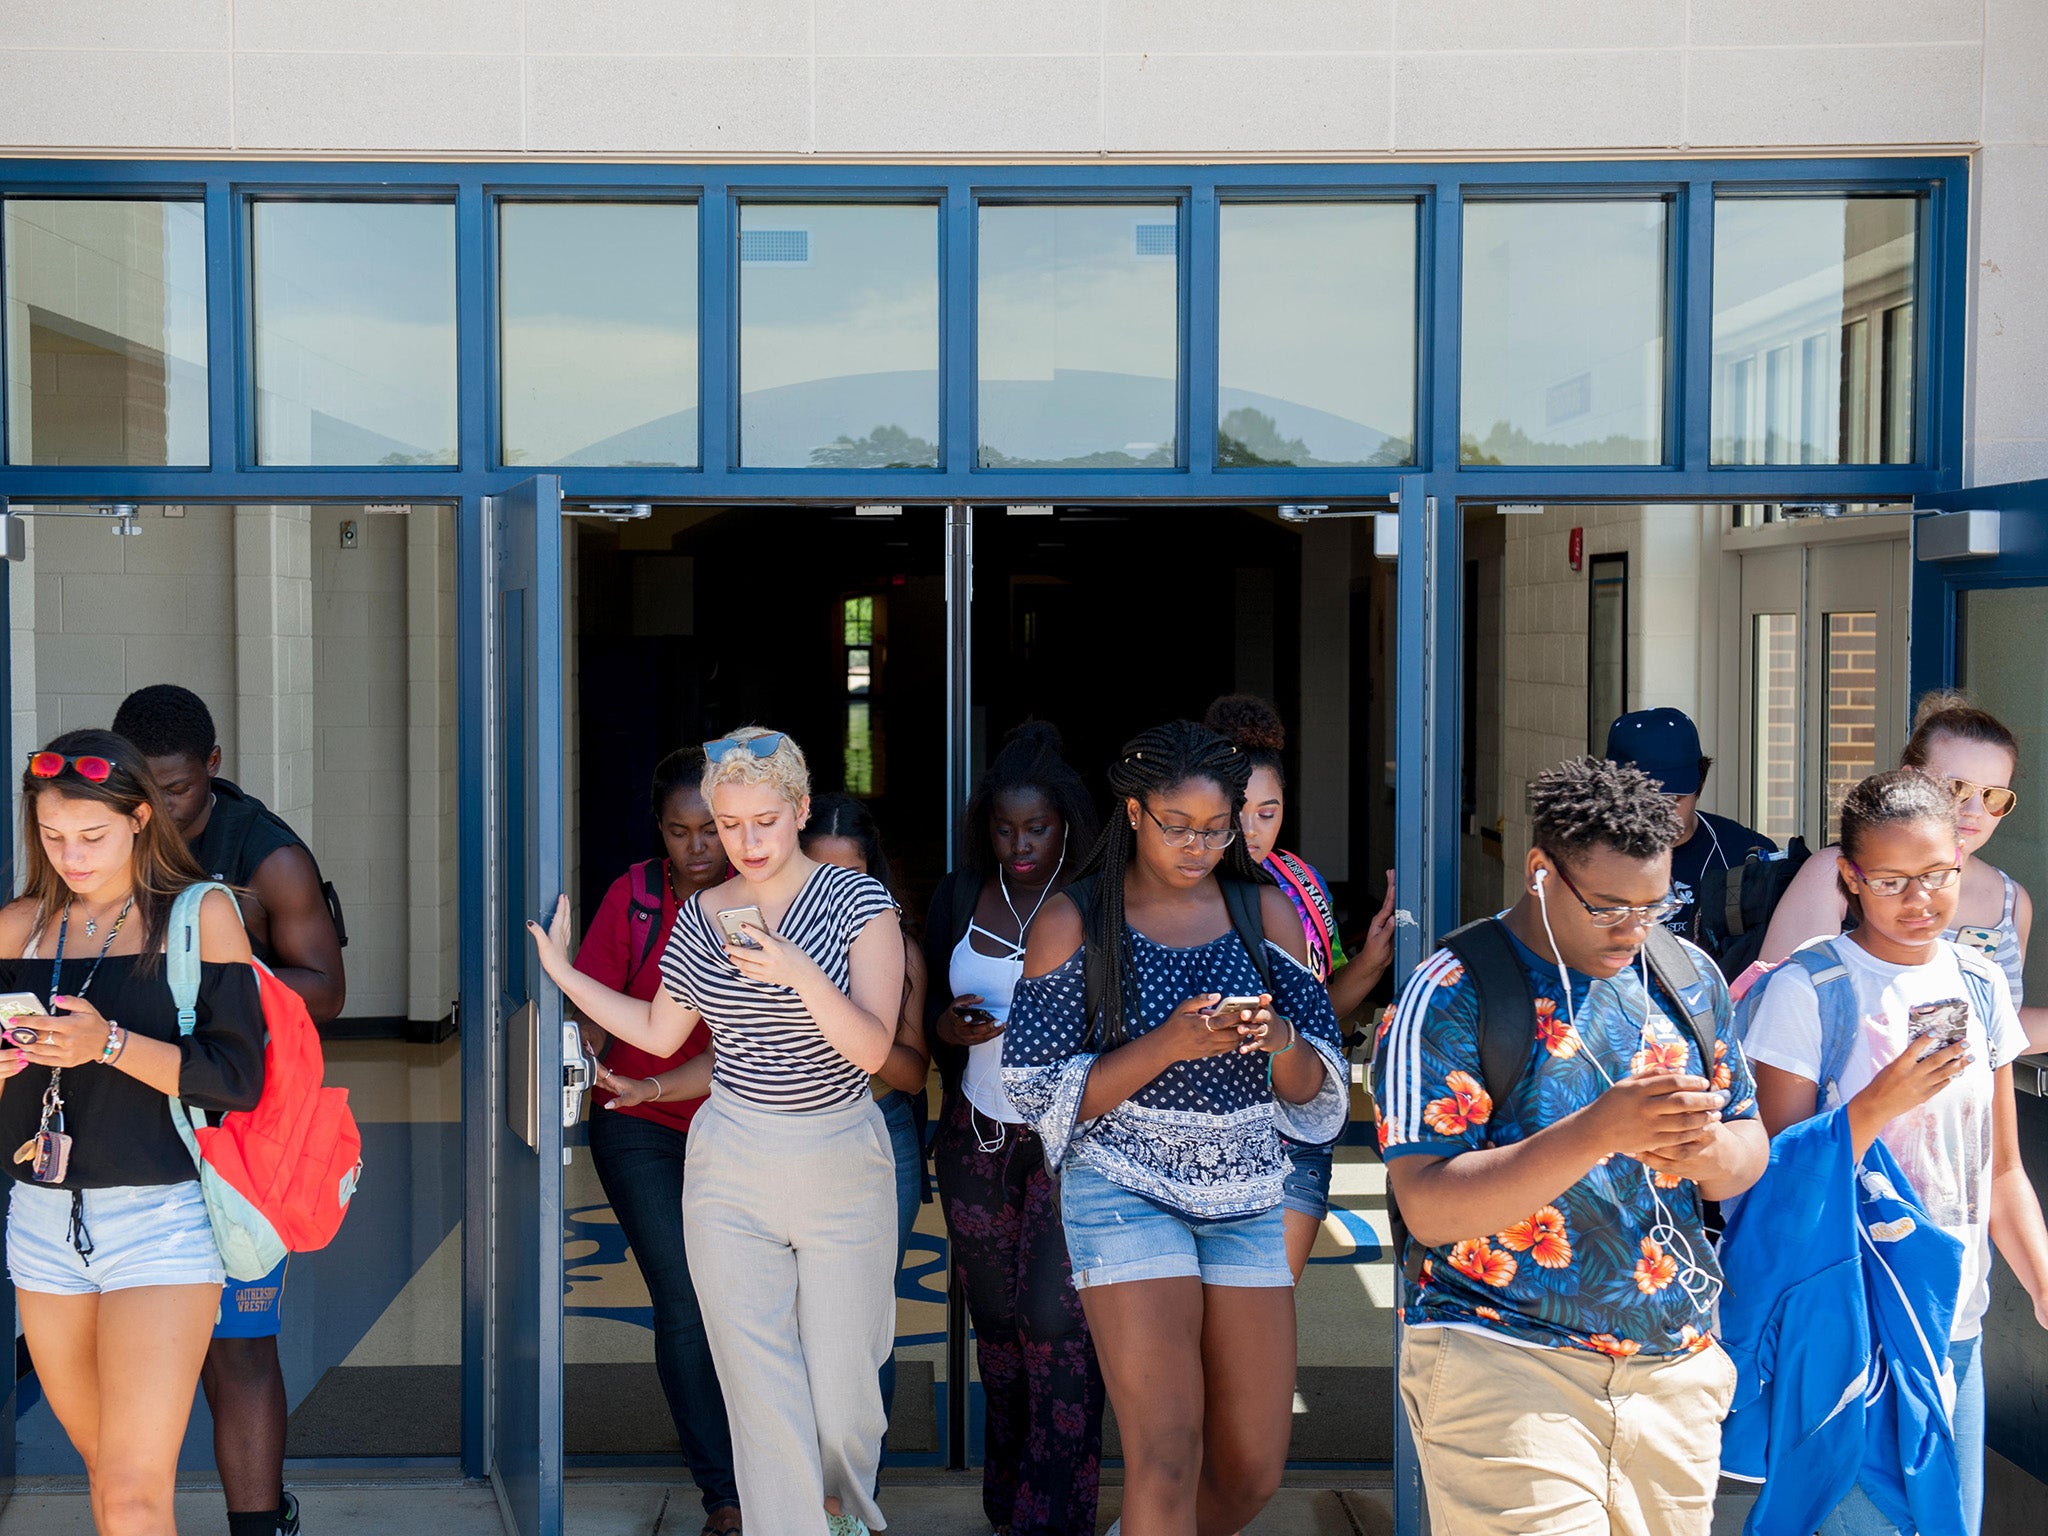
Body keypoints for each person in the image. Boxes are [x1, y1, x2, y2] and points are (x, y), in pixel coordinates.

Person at [1372, 756, 1768, 1536]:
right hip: (1504, 1355)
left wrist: (1701, 1150)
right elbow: (1428, 1204)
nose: (1634, 928)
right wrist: (1599, 1130)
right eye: (1609, 907)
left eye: (1655, 905)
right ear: (1539, 872)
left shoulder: (1687, 976)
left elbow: (1749, 1147)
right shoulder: (1456, 989)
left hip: (1672, 1369)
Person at [530, 728, 901, 1536]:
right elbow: (662, 1033)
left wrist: (795, 968)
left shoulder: (859, 905)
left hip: (839, 1152)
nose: (745, 842)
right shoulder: (702, 915)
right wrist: (564, 974)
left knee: (844, 1401)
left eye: (763, 821)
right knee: (760, 1395)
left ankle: (844, 1515)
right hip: (732, 1157)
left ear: (801, 810)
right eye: (730, 824)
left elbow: (873, 1048)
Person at [1003, 721, 1347, 1534]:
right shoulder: (1074, 920)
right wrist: (1171, 1044)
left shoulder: (1266, 912)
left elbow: (1317, 1088)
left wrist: (1279, 1039)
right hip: (1123, 1187)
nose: (1200, 845)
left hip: (1252, 1194)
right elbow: (1034, 1086)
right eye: (1179, 827)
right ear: (1132, 813)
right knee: (1164, 1453)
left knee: (1253, 1470)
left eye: (1217, 827)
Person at [1740, 767, 2048, 1536]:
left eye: (1937, 875)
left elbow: (2001, 1168)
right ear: (1849, 878)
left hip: (1957, 1325)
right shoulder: (1810, 990)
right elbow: (1766, 1181)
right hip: (1850, 1328)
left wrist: (2043, 1285)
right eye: (1891, 881)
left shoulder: (1978, 985)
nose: (1920, 901)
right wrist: (1876, 1105)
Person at [0, 732, 266, 1536]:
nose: (71, 856)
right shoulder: (16, 928)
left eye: (93, 836)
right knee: (107, 1477)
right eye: (52, 837)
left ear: (142, 820)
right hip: (43, 1229)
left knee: (130, 1490)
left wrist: (106, 1044)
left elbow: (238, 1077)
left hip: (161, 1225)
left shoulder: (200, 917)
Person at [112, 683, 348, 1536]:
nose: (159, 809)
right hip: (135, 1121)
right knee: (152, 1348)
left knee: (240, 1344)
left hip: (241, 1128)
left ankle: (260, 1523)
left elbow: (326, 987)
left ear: (212, 768)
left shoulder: (265, 854)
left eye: (175, 789)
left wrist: (215, 978)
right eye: (144, 788)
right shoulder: (107, 835)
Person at [924, 722, 1104, 1536]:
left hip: (1074, 1144)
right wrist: (946, 1027)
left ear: (1067, 821)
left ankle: (1054, 1519)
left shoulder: (1100, 897)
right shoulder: (960, 895)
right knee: (996, 1331)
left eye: (1037, 827)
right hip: (977, 1138)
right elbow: (923, 1011)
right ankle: (1009, 1508)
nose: (1020, 843)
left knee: (1058, 1329)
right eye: (1005, 827)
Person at [569, 748, 740, 1535]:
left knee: (745, 1300)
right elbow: (592, 1003)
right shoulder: (633, 898)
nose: (699, 847)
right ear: (660, 833)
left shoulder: (759, 899)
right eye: (681, 832)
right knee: (682, 1298)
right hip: (638, 1120)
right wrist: (581, 1073)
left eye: (711, 829)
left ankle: (768, 1462)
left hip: (740, 1121)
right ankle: (725, 1495)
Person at [1204, 695, 1398, 1280]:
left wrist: (1372, 958)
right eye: (1237, 811)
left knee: (1268, 1300)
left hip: (1297, 1122)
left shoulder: (1301, 883)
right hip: (1205, 1121)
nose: (1252, 829)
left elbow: (1320, 1012)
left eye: (1269, 811)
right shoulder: (1178, 890)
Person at [1760, 691, 2046, 1049]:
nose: (1975, 809)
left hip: (1964, 1102)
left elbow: (1996, 1029)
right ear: (1911, 778)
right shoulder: (1834, 874)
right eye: (1957, 788)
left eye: (1995, 796)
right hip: (1852, 1099)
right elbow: (1777, 1014)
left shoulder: (2012, 900)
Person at [1606, 707, 1776, 953]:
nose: (1659, 812)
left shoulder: (1745, 853)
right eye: (1644, 798)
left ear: (1701, 783)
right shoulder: (1587, 857)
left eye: (1674, 798)